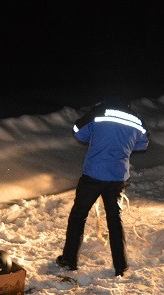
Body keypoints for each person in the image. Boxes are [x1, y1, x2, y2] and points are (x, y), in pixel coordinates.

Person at [56, 98, 149, 277]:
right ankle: (120, 265)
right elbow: (143, 144)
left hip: (93, 174)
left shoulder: (99, 111)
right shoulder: (136, 120)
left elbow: (78, 132)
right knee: (114, 219)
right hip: (117, 177)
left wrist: (97, 133)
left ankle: (69, 260)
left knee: (78, 215)